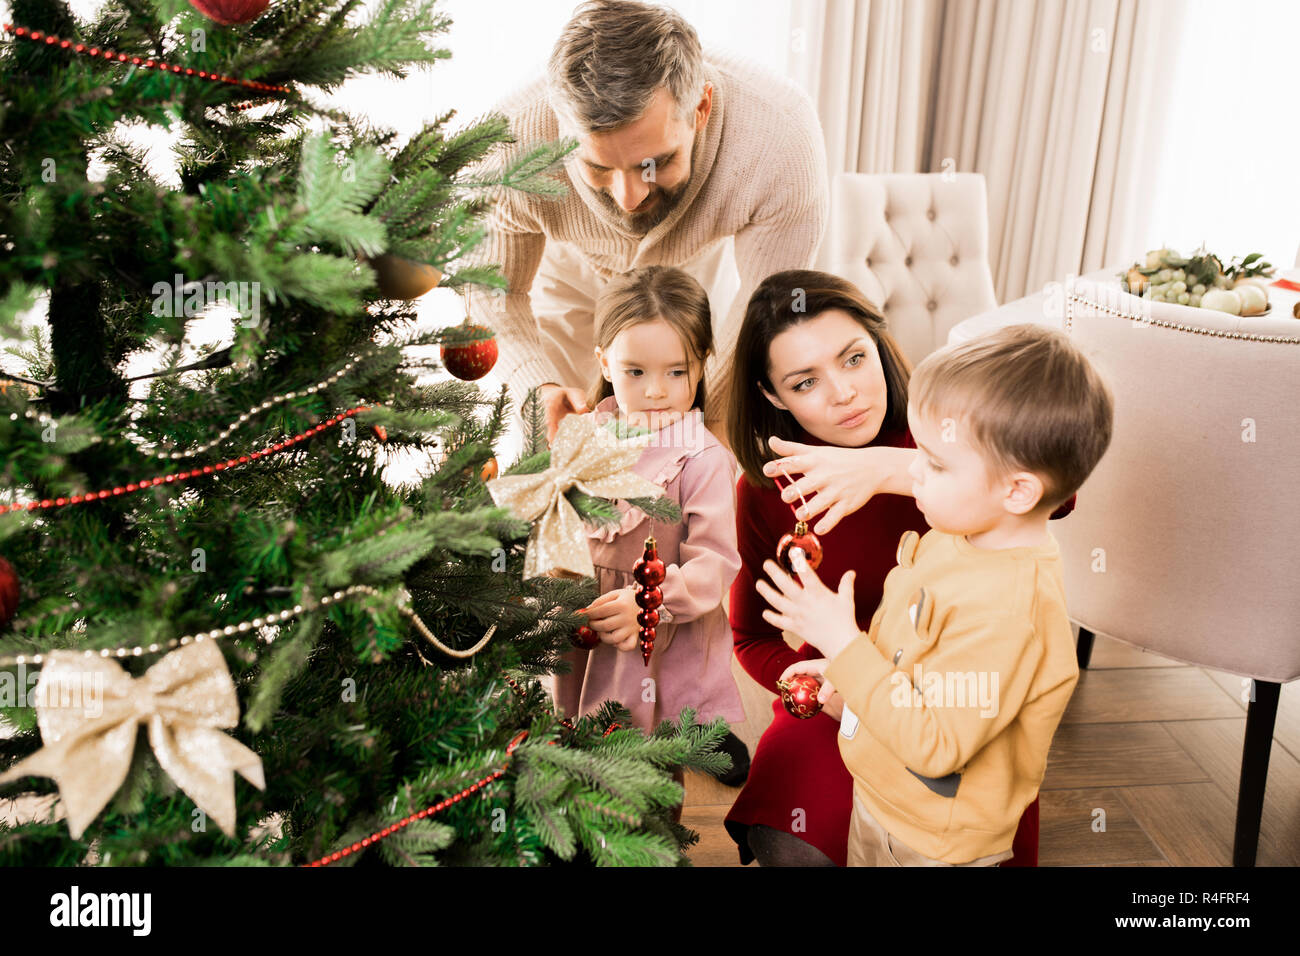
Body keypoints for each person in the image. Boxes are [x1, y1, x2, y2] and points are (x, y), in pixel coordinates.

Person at [757, 323, 1114, 866]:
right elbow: (912, 662)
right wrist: (844, 676)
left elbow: (936, 745)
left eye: (935, 463)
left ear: (1017, 491)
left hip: (934, 841)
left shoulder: (1009, 613)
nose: (908, 471)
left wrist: (844, 643)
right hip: (883, 802)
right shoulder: (957, 537)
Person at [462, 0, 828, 447]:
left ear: (701, 108)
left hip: (691, 271)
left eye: (653, 163)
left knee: (696, 445)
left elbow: (767, 302)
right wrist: (535, 388)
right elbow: (491, 290)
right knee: (551, 449)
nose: (628, 198)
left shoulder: (780, 137)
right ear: (561, 128)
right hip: (566, 267)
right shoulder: (508, 143)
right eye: (598, 168)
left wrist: (706, 415)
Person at [722, 269, 930, 866]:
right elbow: (753, 636)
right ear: (771, 395)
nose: (844, 393)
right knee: (793, 838)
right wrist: (820, 687)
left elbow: (1058, 495)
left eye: (854, 358)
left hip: (961, 697)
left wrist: (889, 470)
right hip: (843, 706)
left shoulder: (950, 429)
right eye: (805, 381)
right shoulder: (767, 490)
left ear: (878, 345)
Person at [554, 266, 747, 782]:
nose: (657, 391)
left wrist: (650, 603)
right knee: (575, 737)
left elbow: (715, 564)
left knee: (644, 759)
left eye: (676, 371)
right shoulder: (584, 434)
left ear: (702, 365)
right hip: (583, 624)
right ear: (604, 361)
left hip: (652, 640)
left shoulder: (702, 460)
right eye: (635, 371)